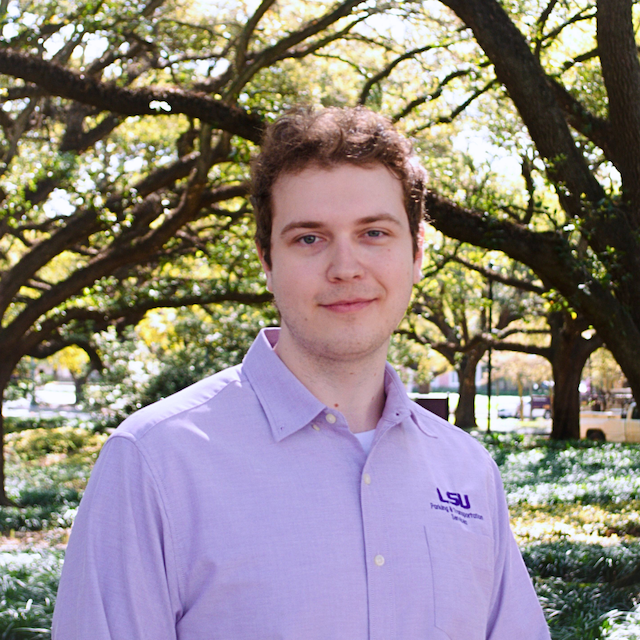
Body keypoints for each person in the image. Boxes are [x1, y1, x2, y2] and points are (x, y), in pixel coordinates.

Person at [52, 106, 550, 639]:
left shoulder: (467, 471)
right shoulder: (154, 463)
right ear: (266, 260)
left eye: (375, 233)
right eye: (309, 238)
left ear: (417, 254)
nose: (345, 267)